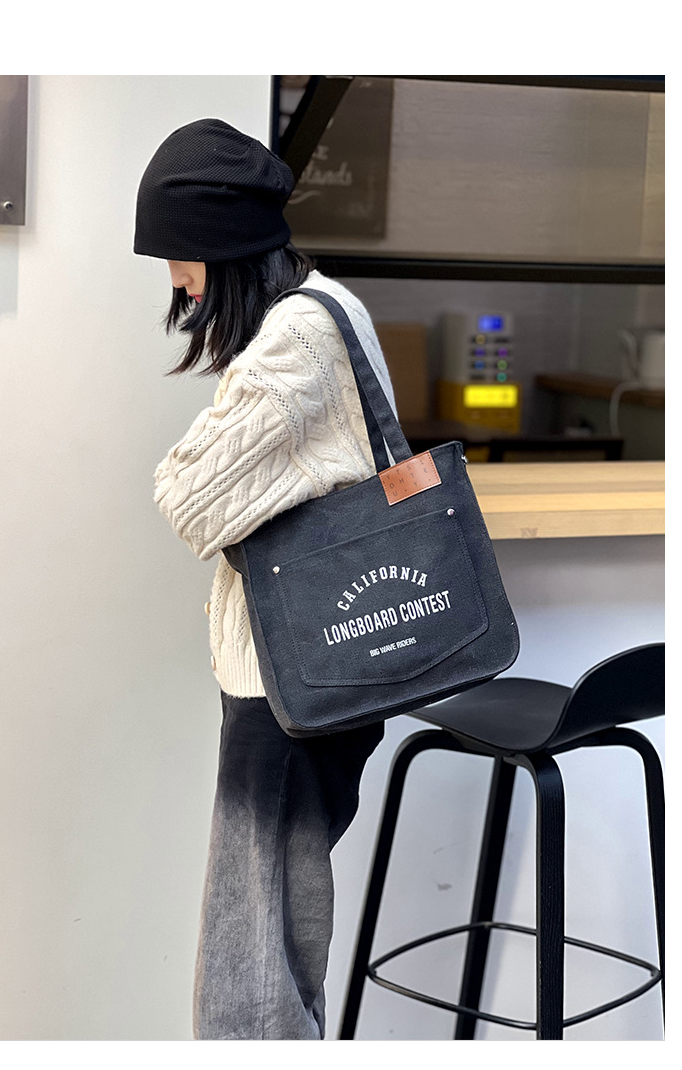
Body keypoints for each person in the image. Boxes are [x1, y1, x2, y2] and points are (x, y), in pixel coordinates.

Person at [134, 118, 398, 1040]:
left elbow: (188, 499)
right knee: (276, 947)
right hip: (311, 673)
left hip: (287, 688)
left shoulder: (297, 338)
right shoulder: (329, 306)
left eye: (180, 257)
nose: (177, 281)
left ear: (222, 244)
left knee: (249, 970)